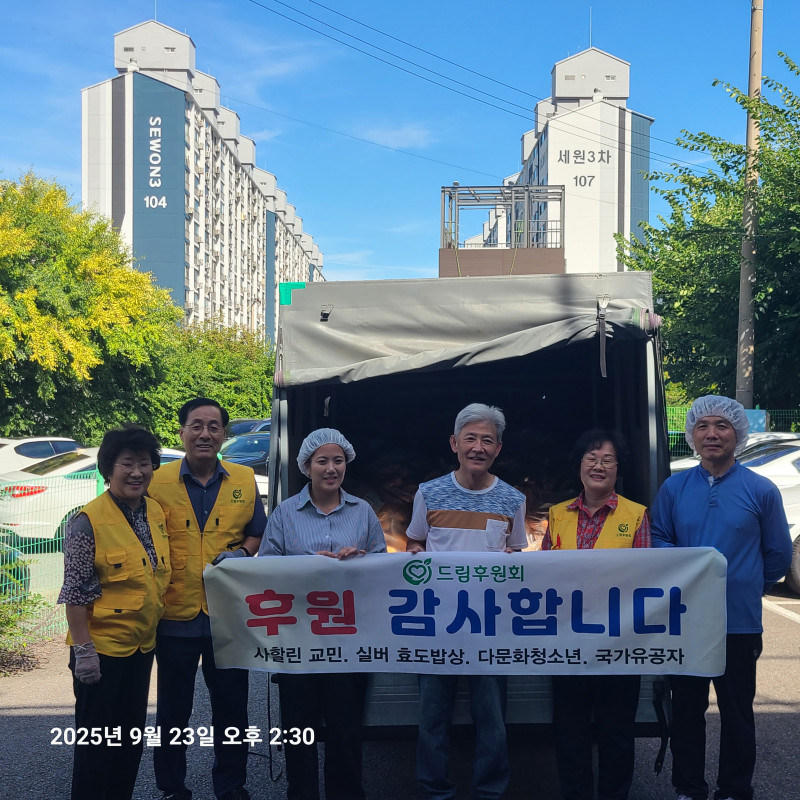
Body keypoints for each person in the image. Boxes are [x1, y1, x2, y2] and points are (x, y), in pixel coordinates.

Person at [651, 395, 792, 800]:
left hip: (738, 622)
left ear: (737, 433)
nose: (711, 434)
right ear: (692, 435)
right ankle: (689, 788)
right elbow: (659, 537)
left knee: (737, 712)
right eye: (702, 426)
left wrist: (749, 584)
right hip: (686, 622)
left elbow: (778, 553)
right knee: (687, 711)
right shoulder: (674, 488)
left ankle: (734, 789)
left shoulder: (761, 490)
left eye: (721, 426)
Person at [406, 403, 526, 800]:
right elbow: (415, 542)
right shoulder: (428, 492)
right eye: (470, 438)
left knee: (492, 721)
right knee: (432, 719)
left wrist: (512, 559)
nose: (478, 447)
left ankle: (489, 792)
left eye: (487, 440)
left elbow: (516, 554)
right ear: (454, 443)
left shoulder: (512, 499)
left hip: (490, 627)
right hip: (437, 626)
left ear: (498, 449)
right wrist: (414, 554)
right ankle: (434, 791)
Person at [258, 428, 386, 800]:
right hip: (299, 639)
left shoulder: (363, 512)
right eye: (322, 461)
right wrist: (307, 566)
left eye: (338, 461)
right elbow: (265, 569)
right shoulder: (285, 513)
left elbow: (382, 567)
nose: (331, 469)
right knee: (299, 729)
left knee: (346, 729)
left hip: (350, 640)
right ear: (306, 466)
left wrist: (361, 559)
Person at [148, 398, 267, 800]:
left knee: (232, 706)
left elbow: (256, 532)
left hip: (228, 615)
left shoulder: (244, 478)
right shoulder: (157, 481)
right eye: (196, 425)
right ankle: (171, 787)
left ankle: (231, 785)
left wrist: (244, 553)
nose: (205, 434)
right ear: (181, 431)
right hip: (174, 613)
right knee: (172, 709)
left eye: (214, 427)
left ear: (224, 434)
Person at [58, 425, 170, 800]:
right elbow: (75, 591)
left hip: (140, 648)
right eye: (127, 463)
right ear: (108, 469)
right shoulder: (87, 521)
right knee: (96, 748)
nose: (137, 472)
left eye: (144, 463)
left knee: (128, 741)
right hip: (101, 651)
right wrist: (84, 652)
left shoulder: (155, 511)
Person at [542, 429, 650, 800]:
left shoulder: (637, 515)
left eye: (607, 460)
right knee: (569, 731)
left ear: (619, 468)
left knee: (616, 732)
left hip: (619, 643)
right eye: (591, 458)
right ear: (579, 465)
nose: (598, 466)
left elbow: (646, 579)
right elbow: (544, 576)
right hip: (568, 643)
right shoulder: (557, 515)